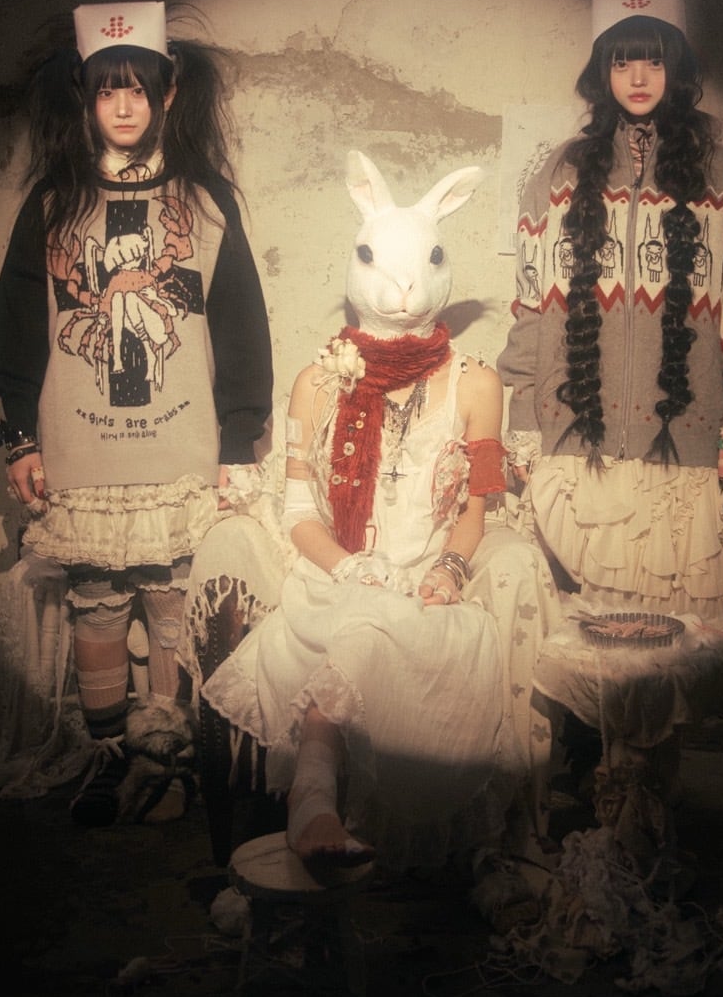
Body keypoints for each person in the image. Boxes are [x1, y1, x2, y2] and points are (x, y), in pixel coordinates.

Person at [0, 0, 274, 824]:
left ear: (168, 94)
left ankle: (165, 755)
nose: (124, 106)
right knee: (97, 599)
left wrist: (238, 440)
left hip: (181, 445)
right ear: (84, 97)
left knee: (173, 599)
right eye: (108, 90)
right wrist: (20, 437)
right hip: (82, 446)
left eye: (139, 89)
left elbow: (241, 327)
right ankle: (107, 757)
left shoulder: (205, 202)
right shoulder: (52, 204)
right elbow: (15, 332)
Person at [197, 151, 527, 875]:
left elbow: (475, 509)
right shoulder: (317, 381)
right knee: (358, 622)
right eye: (380, 262)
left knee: (377, 630)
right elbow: (297, 511)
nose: (402, 289)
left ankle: (316, 802)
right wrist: (351, 568)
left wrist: (448, 569)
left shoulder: (476, 384)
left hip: (426, 592)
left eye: (423, 263)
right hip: (334, 582)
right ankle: (313, 802)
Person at [499, 0, 723, 627]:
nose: (639, 78)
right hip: (571, 442)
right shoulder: (558, 173)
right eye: (623, 64)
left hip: (685, 449)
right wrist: (522, 415)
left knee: (678, 640)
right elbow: (531, 306)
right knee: (578, 635)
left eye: (654, 62)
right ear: (603, 73)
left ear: (678, 70)